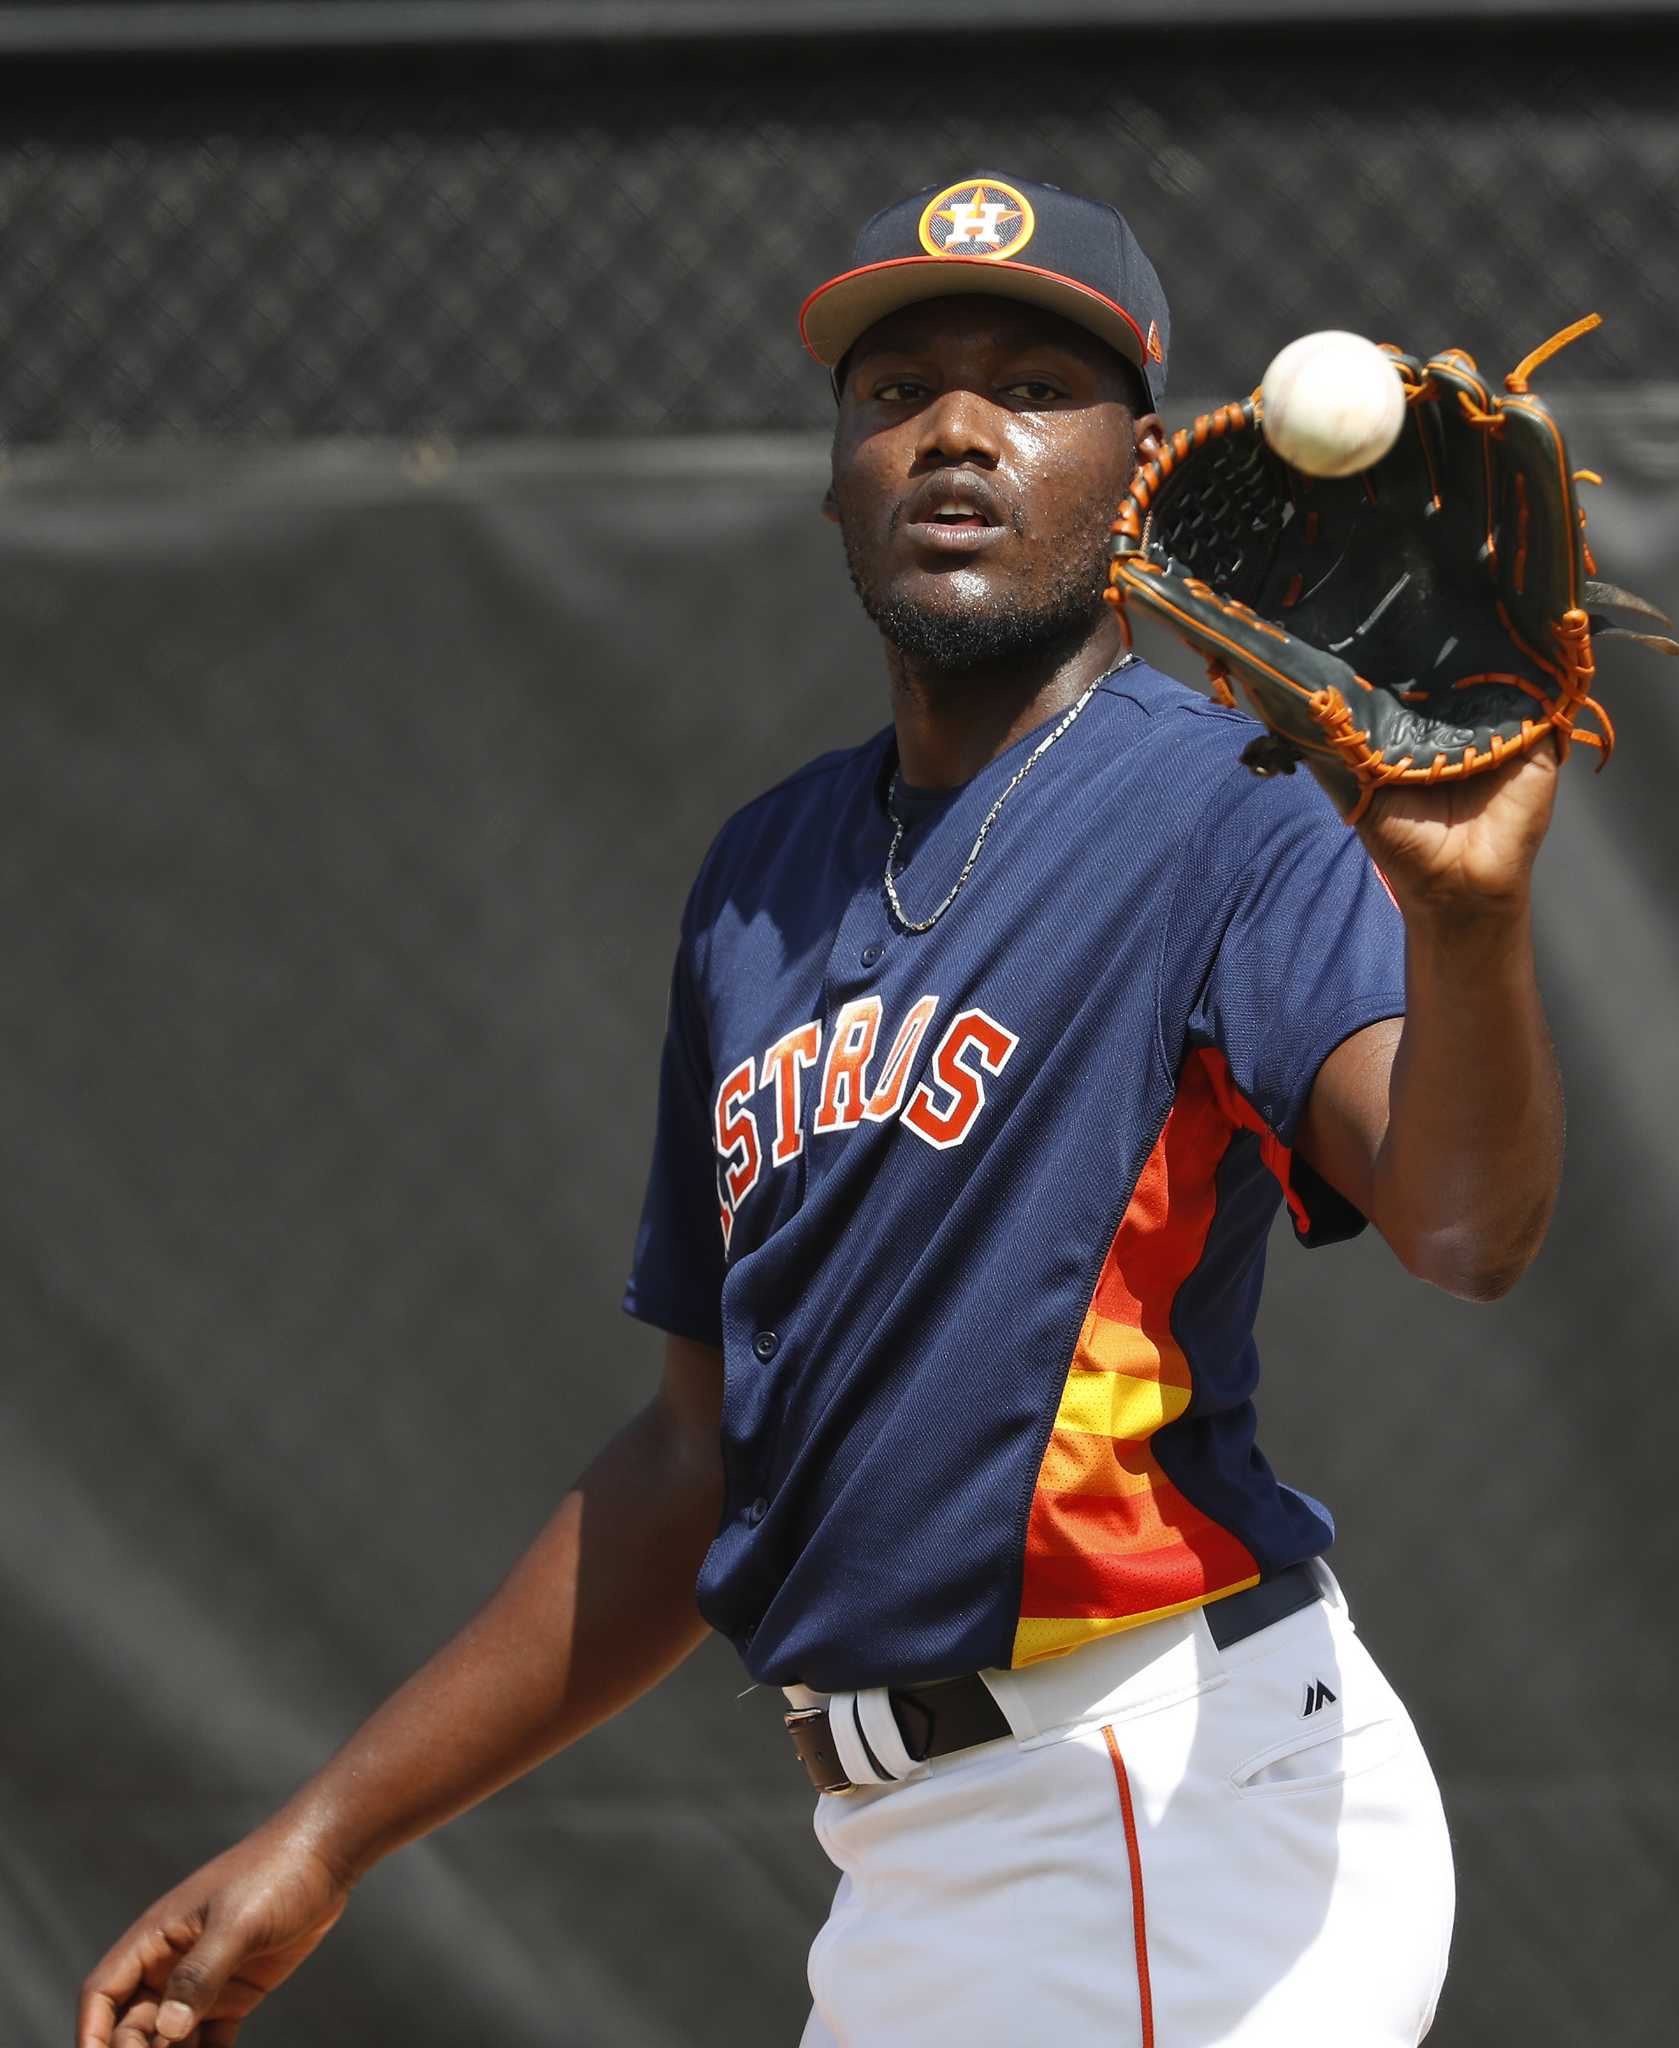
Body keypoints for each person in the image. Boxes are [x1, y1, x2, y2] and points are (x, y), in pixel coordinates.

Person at [80, 173, 1570, 2048]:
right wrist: (322, 1840)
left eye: (1031, 386)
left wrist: (1469, 917)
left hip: (1162, 1810)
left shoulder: (1231, 811)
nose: (955, 429)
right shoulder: (763, 876)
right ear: (834, 475)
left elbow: (1462, 1227)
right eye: (895, 392)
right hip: (912, 1863)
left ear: (1145, 473)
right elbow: (693, 1459)